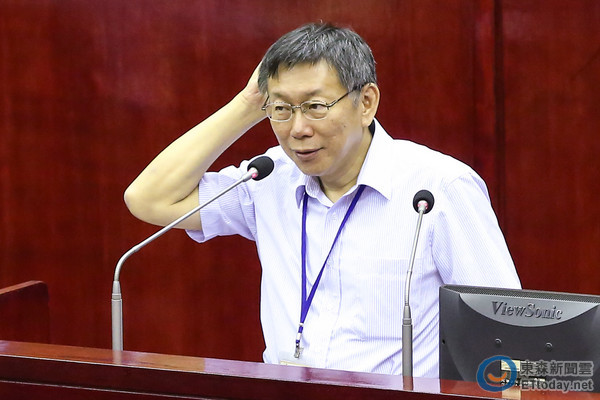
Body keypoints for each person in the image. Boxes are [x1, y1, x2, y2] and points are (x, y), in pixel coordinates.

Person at [124, 22, 521, 378]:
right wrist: (246, 106)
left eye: (315, 107)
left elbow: (504, 331)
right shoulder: (268, 177)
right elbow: (149, 200)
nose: (297, 129)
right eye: (281, 108)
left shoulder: (437, 188)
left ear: (366, 102)